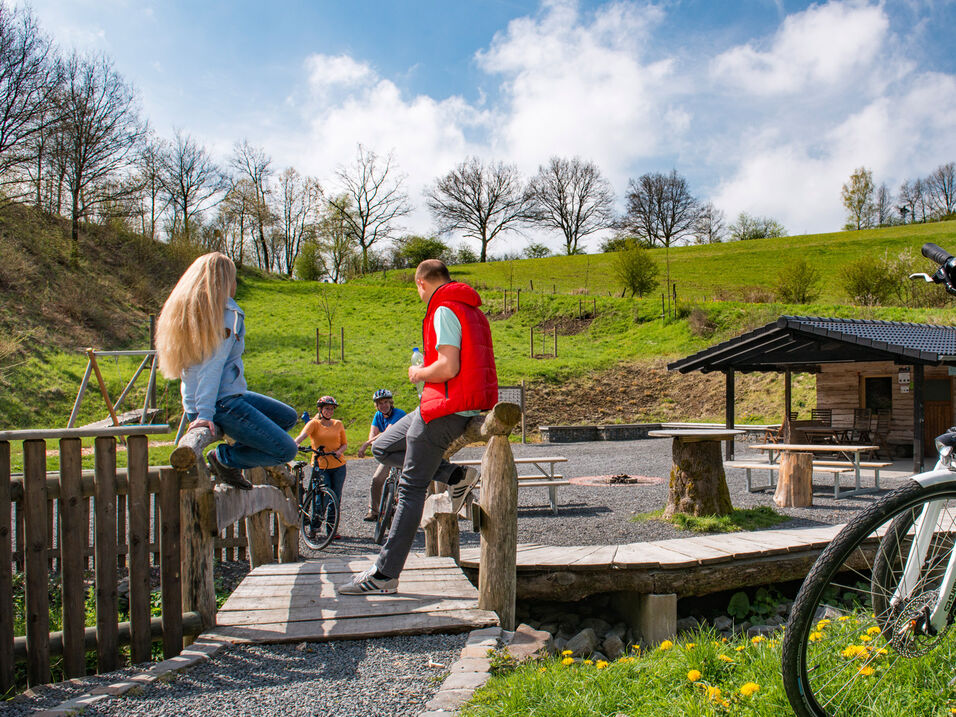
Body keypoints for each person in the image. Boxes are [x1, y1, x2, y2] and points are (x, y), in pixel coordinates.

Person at [339, 259, 497, 595]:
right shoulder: (473, 310)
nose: (419, 294)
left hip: (444, 408)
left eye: (417, 288)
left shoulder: (443, 309)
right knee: (383, 447)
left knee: (409, 489)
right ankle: (456, 476)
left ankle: (385, 574)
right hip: (453, 404)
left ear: (422, 282)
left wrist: (419, 373)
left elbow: (447, 366)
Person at [156, 252, 298, 490]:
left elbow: (199, 369)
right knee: (285, 449)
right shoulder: (226, 315)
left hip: (221, 397)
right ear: (223, 282)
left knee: (287, 417)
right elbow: (212, 366)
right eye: (233, 278)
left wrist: (198, 408)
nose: (235, 284)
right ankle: (224, 459)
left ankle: (234, 450)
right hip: (221, 403)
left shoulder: (195, 313)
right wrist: (205, 414)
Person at [295, 395, 348, 538]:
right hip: (320, 465)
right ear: (320, 409)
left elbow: (344, 444)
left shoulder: (338, 424)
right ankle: (314, 526)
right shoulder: (314, 424)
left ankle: (332, 529)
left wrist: (339, 452)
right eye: (327, 409)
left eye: (331, 409)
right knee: (321, 497)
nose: (329, 412)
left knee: (335, 497)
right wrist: (296, 444)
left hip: (338, 465)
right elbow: (302, 436)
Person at [358, 389, 407, 521]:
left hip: (404, 451)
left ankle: (409, 513)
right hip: (389, 454)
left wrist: (366, 444)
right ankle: (373, 511)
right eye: (380, 403)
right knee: (377, 480)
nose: (383, 405)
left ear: (391, 403)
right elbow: (373, 434)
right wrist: (370, 442)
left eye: (386, 402)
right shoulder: (378, 416)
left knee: (408, 482)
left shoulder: (399, 414)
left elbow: (387, 432)